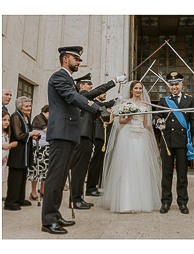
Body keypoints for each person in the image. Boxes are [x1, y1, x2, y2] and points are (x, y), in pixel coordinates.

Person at [39, 46, 110, 234]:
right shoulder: (59, 77)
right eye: (76, 59)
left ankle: (55, 215)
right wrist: (96, 108)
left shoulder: (68, 79)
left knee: (61, 177)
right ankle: (48, 221)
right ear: (65, 59)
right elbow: (72, 97)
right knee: (55, 178)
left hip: (68, 133)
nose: (78, 63)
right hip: (61, 132)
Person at [99, 81, 162, 213]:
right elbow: (121, 120)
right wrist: (129, 118)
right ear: (131, 90)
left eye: (140, 88)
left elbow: (146, 124)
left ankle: (142, 201)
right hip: (127, 134)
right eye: (136, 88)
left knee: (141, 166)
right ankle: (126, 202)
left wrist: (151, 140)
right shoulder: (125, 102)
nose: (138, 90)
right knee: (127, 166)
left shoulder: (146, 105)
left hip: (141, 135)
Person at [154, 71, 194, 215]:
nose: (174, 87)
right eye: (171, 84)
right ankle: (166, 202)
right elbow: (157, 116)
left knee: (182, 174)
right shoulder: (163, 101)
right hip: (167, 141)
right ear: (168, 85)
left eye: (176, 84)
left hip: (183, 142)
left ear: (181, 85)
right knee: (166, 174)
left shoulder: (189, 100)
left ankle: (182, 202)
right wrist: (158, 121)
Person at [69, 73, 118, 209]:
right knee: (79, 169)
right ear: (81, 85)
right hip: (81, 135)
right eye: (88, 84)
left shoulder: (87, 99)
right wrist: (112, 82)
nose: (91, 86)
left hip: (87, 136)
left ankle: (78, 198)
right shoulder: (81, 96)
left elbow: (102, 104)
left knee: (82, 168)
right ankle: (74, 199)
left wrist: (117, 100)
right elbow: (97, 93)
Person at [6, 96, 37, 211]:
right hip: (17, 151)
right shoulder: (15, 116)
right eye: (26, 106)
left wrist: (32, 135)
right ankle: (11, 202)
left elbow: (26, 133)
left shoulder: (26, 116)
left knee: (22, 176)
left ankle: (20, 199)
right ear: (20, 106)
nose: (29, 108)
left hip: (25, 150)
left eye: (30, 106)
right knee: (15, 177)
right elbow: (18, 135)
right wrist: (30, 133)